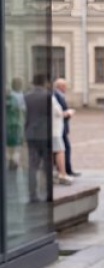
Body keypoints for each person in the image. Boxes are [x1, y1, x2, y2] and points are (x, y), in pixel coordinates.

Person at [24, 74, 50, 203]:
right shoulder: (47, 96)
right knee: (47, 165)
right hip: (45, 134)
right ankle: (48, 193)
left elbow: (25, 116)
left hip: (31, 134)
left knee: (32, 166)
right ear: (44, 82)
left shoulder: (27, 97)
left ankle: (32, 194)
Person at [53, 78, 78, 177]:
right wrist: (68, 113)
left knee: (64, 148)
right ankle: (64, 171)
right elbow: (59, 112)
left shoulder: (59, 95)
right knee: (63, 149)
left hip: (61, 127)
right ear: (60, 87)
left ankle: (66, 170)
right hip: (58, 128)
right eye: (65, 86)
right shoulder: (55, 96)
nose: (66, 88)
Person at [5, 77, 25, 170]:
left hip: (7, 124)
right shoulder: (21, 96)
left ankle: (10, 159)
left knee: (8, 144)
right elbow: (24, 110)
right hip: (17, 124)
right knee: (17, 145)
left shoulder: (8, 97)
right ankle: (14, 161)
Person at [51, 94, 71, 185]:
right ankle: (62, 174)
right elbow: (58, 112)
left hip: (49, 130)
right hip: (54, 131)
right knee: (60, 151)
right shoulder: (51, 98)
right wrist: (68, 113)